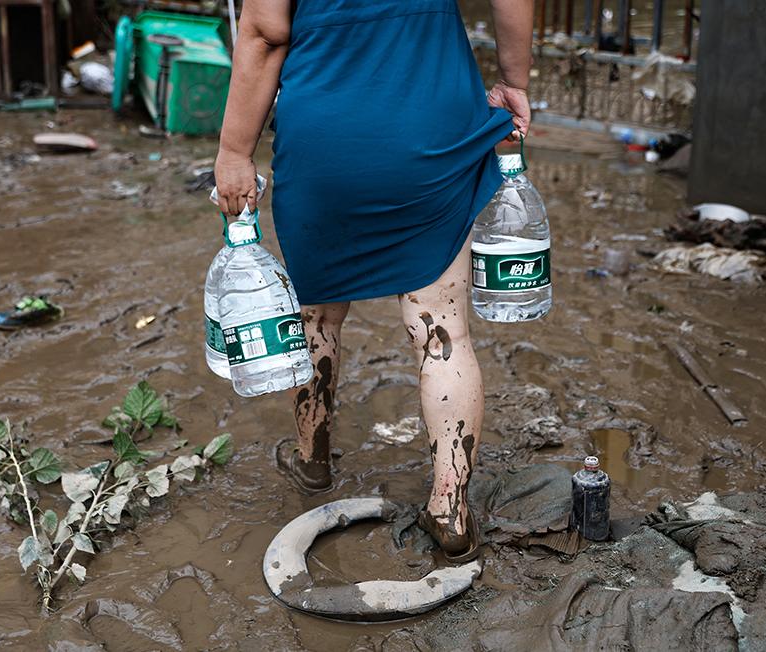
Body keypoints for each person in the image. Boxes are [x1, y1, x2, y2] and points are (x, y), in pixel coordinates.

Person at [214, 0, 532, 562]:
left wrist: (234, 150)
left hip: (326, 137)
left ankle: (312, 459)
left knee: (316, 315)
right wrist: (513, 81)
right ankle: (450, 509)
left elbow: (264, 32)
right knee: (442, 326)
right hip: (433, 130)